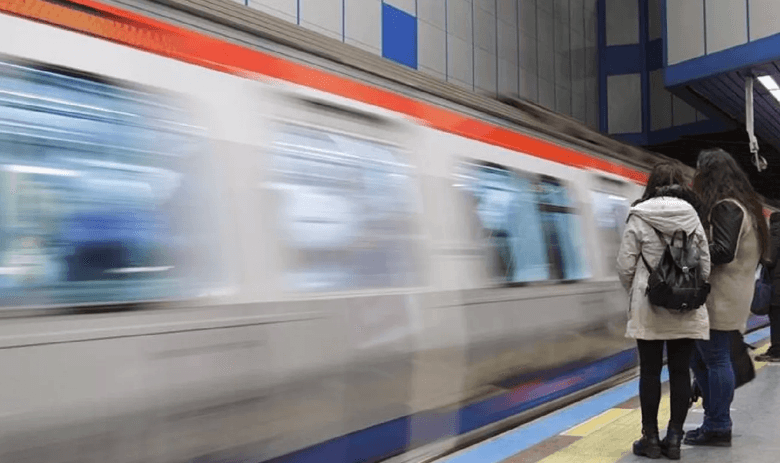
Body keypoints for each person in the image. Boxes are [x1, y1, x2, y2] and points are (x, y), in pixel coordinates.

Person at [617, 162, 711, 460]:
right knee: (681, 372)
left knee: (650, 372)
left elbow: (625, 266)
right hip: (685, 307)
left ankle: (651, 440)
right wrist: (685, 286)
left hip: (649, 306)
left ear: (651, 184)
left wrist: (641, 288)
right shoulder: (693, 217)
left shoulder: (639, 216)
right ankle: (674, 439)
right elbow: (706, 268)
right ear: (680, 185)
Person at [685, 148, 768, 447]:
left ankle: (718, 425)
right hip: (732, 294)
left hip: (721, 297)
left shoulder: (726, 207)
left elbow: (722, 251)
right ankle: (714, 420)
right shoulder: (746, 206)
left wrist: (688, 255)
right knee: (701, 358)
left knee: (715, 359)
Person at [756, 212, 780, 362]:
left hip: (777, 285)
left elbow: (769, 260)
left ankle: (776, 351)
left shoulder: (774, 236)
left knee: (776, 318)